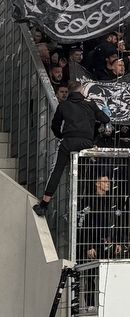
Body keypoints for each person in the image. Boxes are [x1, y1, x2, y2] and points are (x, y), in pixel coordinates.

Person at [34, 81, 110, 216]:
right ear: (82, 92)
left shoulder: (63, 105)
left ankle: (44, 205)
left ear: (69, 92)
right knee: (83, 173)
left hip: (68, 141)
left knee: (57, 170)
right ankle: (80, 204)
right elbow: (105, 119)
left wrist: (61, 136)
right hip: (87, 143)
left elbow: (55, 126)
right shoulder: (90, 104)